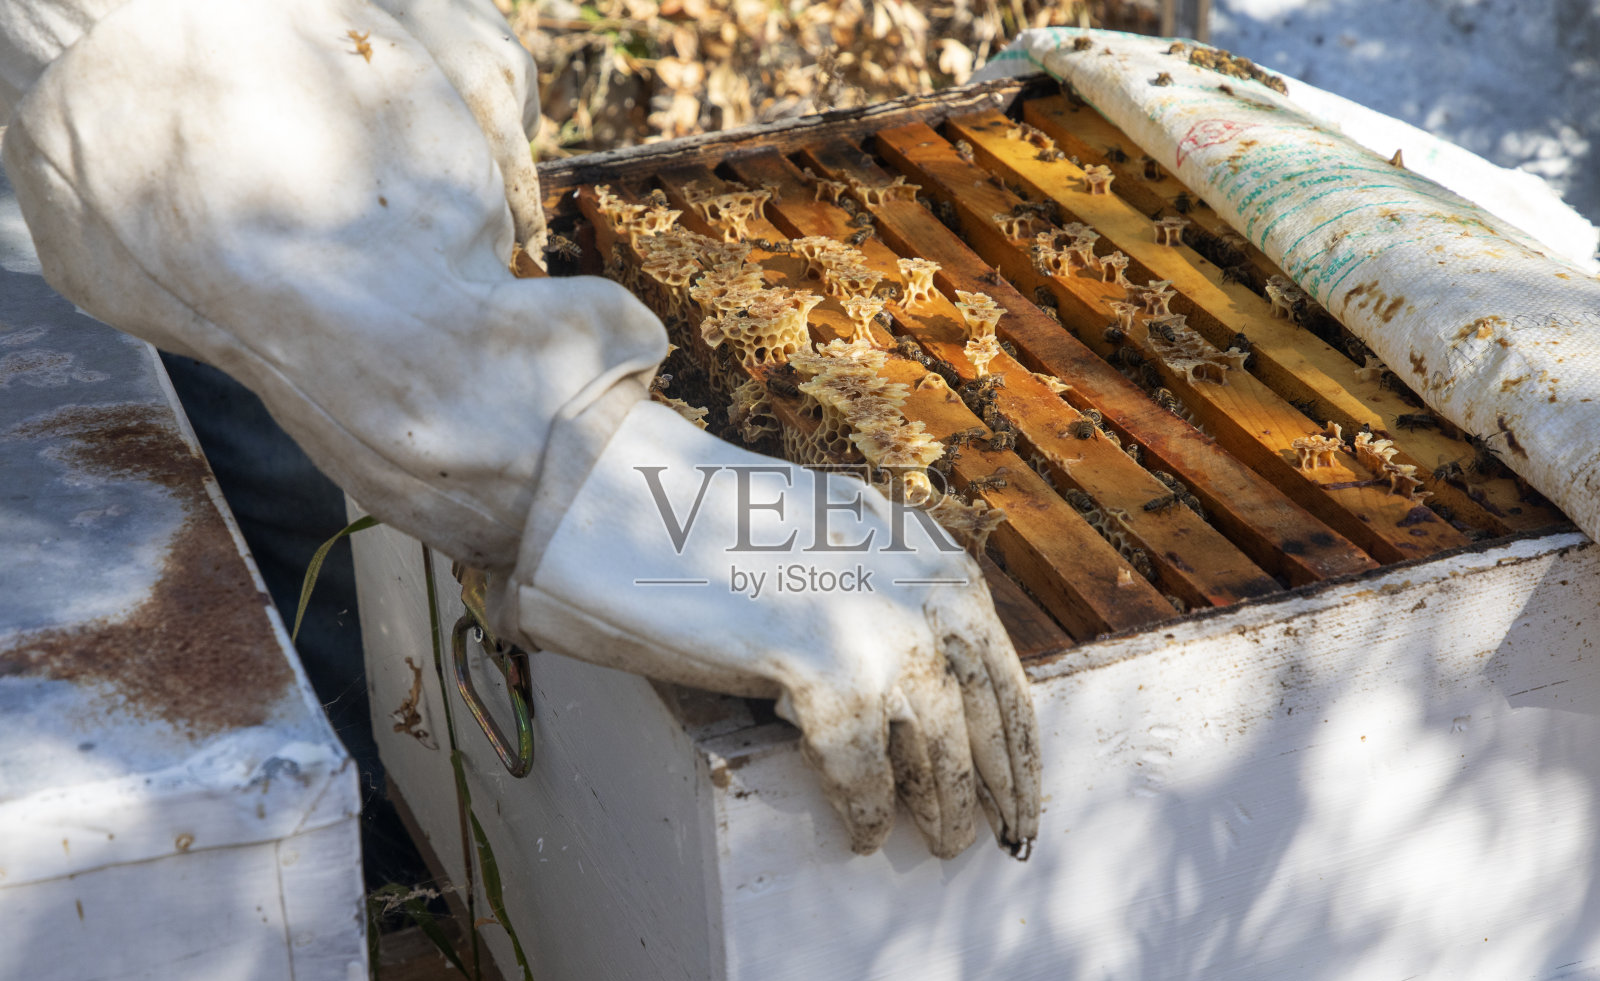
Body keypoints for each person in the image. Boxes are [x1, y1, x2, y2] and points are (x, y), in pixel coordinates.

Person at [0, 0, 1040, 859]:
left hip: (251, 137)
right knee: (292, 534)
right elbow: (154, 69)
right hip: (131, 201)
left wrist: (406, 37)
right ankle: (391, 879)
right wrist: (625, 488)